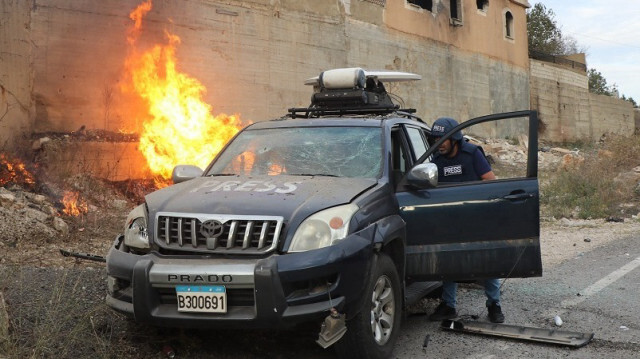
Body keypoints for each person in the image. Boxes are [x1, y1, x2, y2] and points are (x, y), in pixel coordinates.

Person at [427, 117, 505, 324]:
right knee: (448, 261)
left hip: (475, 218)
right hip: (449, 220)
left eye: (442, 139)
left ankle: (494, 305)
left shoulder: (472, 154)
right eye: (436, 139)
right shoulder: (436, 161)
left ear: (454, 139)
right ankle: (448, 305)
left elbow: (490, 181)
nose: (439, 143)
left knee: (487, 261)